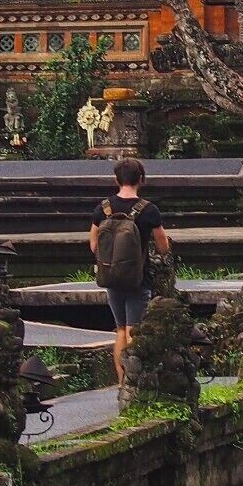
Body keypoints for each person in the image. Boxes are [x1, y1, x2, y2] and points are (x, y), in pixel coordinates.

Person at [88, 157, 171, 384]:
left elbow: (94, 245)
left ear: (116, 179)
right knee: (134, 330)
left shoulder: (103, 208)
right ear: (141, 179)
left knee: (121, 330)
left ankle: (122, 380)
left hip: (111, 277)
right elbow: (163, 246)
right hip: (138, 278)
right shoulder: (149, 210)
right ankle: (135, 381)